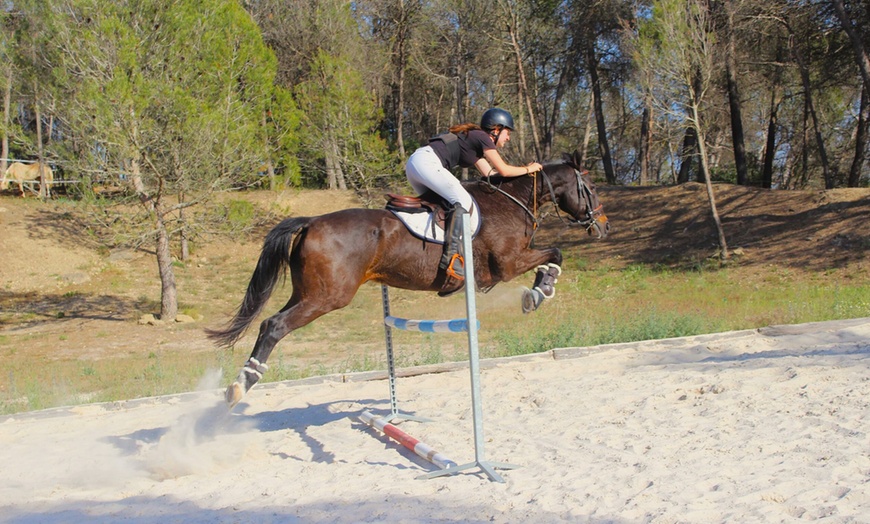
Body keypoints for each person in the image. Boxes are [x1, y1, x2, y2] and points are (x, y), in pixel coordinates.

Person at [405, 108, 543, 280]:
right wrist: (530, 169)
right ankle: (452, 258)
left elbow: (491, 174)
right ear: (496, 129)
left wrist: (522, 174)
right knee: (463, 201)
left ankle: (432, 255)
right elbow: (504, 170)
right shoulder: (482, 137)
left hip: (417, 164)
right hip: (426, 163)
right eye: (507, 132)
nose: (508, 138)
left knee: (443, 208)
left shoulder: (475, 142)